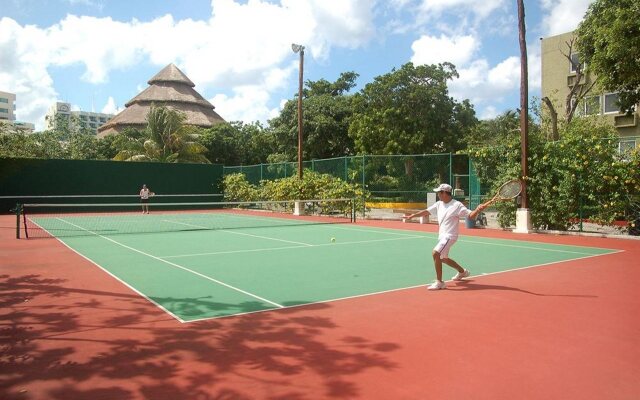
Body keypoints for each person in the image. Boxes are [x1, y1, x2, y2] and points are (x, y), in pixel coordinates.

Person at [404, 183, 489, 290]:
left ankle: (439, 282)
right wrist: (413, 216)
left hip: (450, 236)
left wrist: (478, 210)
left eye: (439, 192)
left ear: (445, 193)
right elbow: (426, 211)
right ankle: (462, 272)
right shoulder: (439, 204)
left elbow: (470, 216)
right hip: (442, 236)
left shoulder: (456, 205)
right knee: (443, 258)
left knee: (435, 253)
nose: (438, 194)